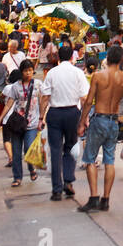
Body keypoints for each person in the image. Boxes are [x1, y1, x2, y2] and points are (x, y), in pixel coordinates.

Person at [76, 45, 123, 213]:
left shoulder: (98, 76)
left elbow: (89, 101)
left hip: (99, 119)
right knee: (109, 161)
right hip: (114, 122)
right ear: (122, 59)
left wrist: (81, 122)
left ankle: (94, 197)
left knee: (90, 158)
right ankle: (106, 199)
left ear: (107, 57)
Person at [39, 42, 90, 203]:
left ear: (59, 57)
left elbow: (45, 97)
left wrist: (41, 117)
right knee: (69, 147)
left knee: (55, 151)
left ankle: (56, 189)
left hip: (54, 113)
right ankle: (68, 180)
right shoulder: (78, 73)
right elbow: (84, 98)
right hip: (72, 113)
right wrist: (85, 118)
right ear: (72, 57)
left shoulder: (52, 73)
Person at [0, 59, 43, 186]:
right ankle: (17, 177)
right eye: (25, 71)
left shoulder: (38, 84)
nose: (28, 73)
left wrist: (42, 118)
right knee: (16, 151)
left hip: (32, 123)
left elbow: (42, 102)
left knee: (28, 147)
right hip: (17, 123)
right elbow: (9, 104)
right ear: (21, 72)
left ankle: (31, 168)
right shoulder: (16, 86)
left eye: (30, 70)